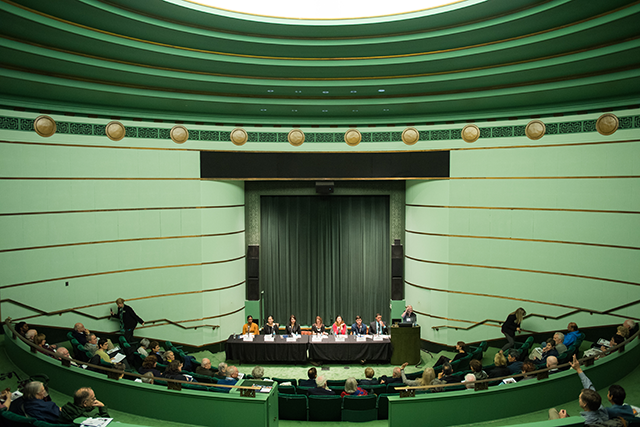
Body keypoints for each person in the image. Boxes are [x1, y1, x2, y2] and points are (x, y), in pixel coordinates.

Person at [548, 355, 609, 424]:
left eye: (580, 398)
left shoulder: (583, 421)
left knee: (552, 412)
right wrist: (578, 369)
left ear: (585, 404)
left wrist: (563, 420)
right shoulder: (599, 407)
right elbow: (589, 386)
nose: (579, 399)